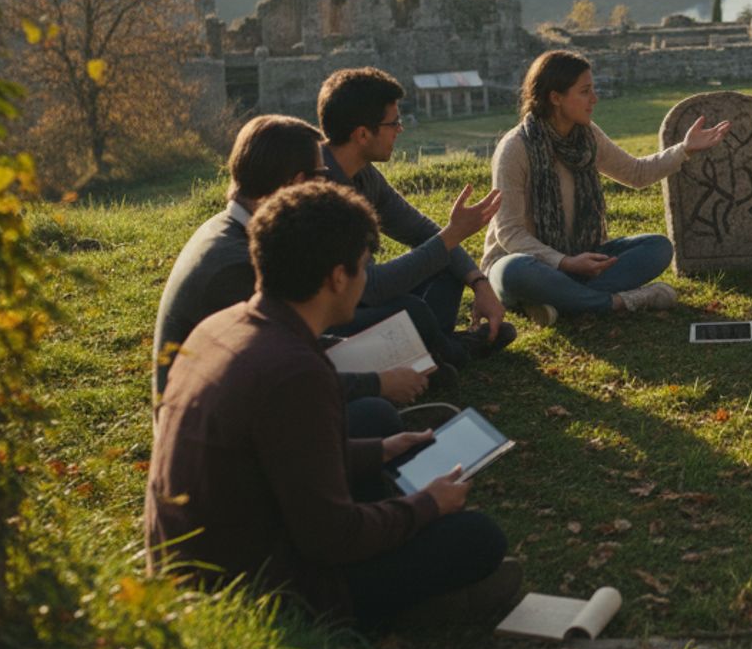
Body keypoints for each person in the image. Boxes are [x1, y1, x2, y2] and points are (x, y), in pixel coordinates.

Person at [146, 180, 517, 629]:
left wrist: (378, 450)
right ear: (338, 278)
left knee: (379, 439)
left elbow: (280, 456)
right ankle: (398, 617)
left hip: (195, 563)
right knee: (478, 539)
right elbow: (331, 538)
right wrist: (428, 507)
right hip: (257, 594)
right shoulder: (296, 370)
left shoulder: (221, 326)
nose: (365, 279)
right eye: (363, 267)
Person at [151, 115, 496, 422]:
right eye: (321, 175)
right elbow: (283, 371)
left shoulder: (247, 229)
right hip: (221, 422)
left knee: (408, 318)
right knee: (375, 414)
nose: (327, 183)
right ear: (297, 182)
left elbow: (294, 343)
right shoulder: (233, 267)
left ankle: (436, 360)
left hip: (255, 386)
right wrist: (378, 382)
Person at [482, 50, 729, 324]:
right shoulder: (515, 148)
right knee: (514, 271)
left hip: (580, 259)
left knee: (658, 248)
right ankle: (620, 301)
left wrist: (684, 149)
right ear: (556, 98)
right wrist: (563, 262)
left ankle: (557, 301)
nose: (594, 99)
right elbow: (510, 232)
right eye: (585, 91)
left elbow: (636, 173)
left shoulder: (587, 137)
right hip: (528, 262)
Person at [317, 67, 515, 370]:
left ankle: (430, 352)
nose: (400, 129)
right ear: (362, 134)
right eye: (393, 123)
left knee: (448, 267)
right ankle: (448, 351)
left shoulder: (364, 174)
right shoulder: (321, 192)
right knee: (411, 309)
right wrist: (452, 235)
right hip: (331, 323)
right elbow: (370, 288)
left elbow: (420, 230)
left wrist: (479, 282)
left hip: (366, 306)